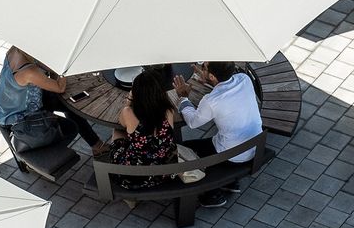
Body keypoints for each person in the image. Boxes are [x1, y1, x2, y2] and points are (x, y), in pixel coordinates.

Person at [172, 62, 263, 208]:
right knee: (213, 142)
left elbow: (192, 122)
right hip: (254, 146)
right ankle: (231, 181)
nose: (201, 67)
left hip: (232, 156)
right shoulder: (244, 79)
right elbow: (226, 91)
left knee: (185, 148)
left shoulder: (211, 101)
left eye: (204, 67)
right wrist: (208, 79)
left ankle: (212, 193)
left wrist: (183, 97)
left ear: (213, 76)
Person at [0, 47, 109, 154]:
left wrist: (55, 69)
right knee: (71, 118)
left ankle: (96, 145)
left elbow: (48, 67)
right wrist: (63, 67)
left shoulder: (16, 50)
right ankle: (96, 146)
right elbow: (60, 87)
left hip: (11, 106)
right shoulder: (29, 72)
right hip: (19, 120)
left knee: (69, 103)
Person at [109, 70, 178, 189]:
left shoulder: (128, 112)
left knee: (117, 131)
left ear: (136, 93)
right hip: (162, 170)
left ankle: (130, 197)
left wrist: (129, 102)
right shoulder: (168, 111)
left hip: (132, 176)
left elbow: (120, 122)